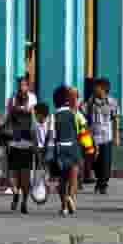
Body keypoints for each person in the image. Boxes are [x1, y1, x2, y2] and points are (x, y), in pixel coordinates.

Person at [49, 87, 84, 217]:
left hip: (60, 149)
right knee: (73, 177)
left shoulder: (53, 116)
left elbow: (52, 135)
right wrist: (90, 148)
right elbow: (83, 131)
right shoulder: (75, 114)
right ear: (67, 101)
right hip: (73, 147)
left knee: (62, 179)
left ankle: (63, 206)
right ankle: (70, 197)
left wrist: (49, 153)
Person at [3, 92, 39, 214]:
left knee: (12, 174)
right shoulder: (31, 114)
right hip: (27, 146)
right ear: (27, 101)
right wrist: (36, 146)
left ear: (16, 101)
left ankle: (16, 192)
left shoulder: (11, 112)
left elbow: (4, 126)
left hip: (14, 145)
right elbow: (34, 130)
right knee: (25, 176)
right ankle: (24, 201)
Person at [84, 79, 118, 194]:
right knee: (96, 162)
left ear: (103, 89)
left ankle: (103, 184)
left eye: (97, 87)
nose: (95, 89)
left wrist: (116, 135)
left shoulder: (112, 102)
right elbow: (87, 118)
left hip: (106, 136)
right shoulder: (90, 101)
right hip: (93, 136)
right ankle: (99, 180)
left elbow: (115, 119)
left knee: (106, 161)